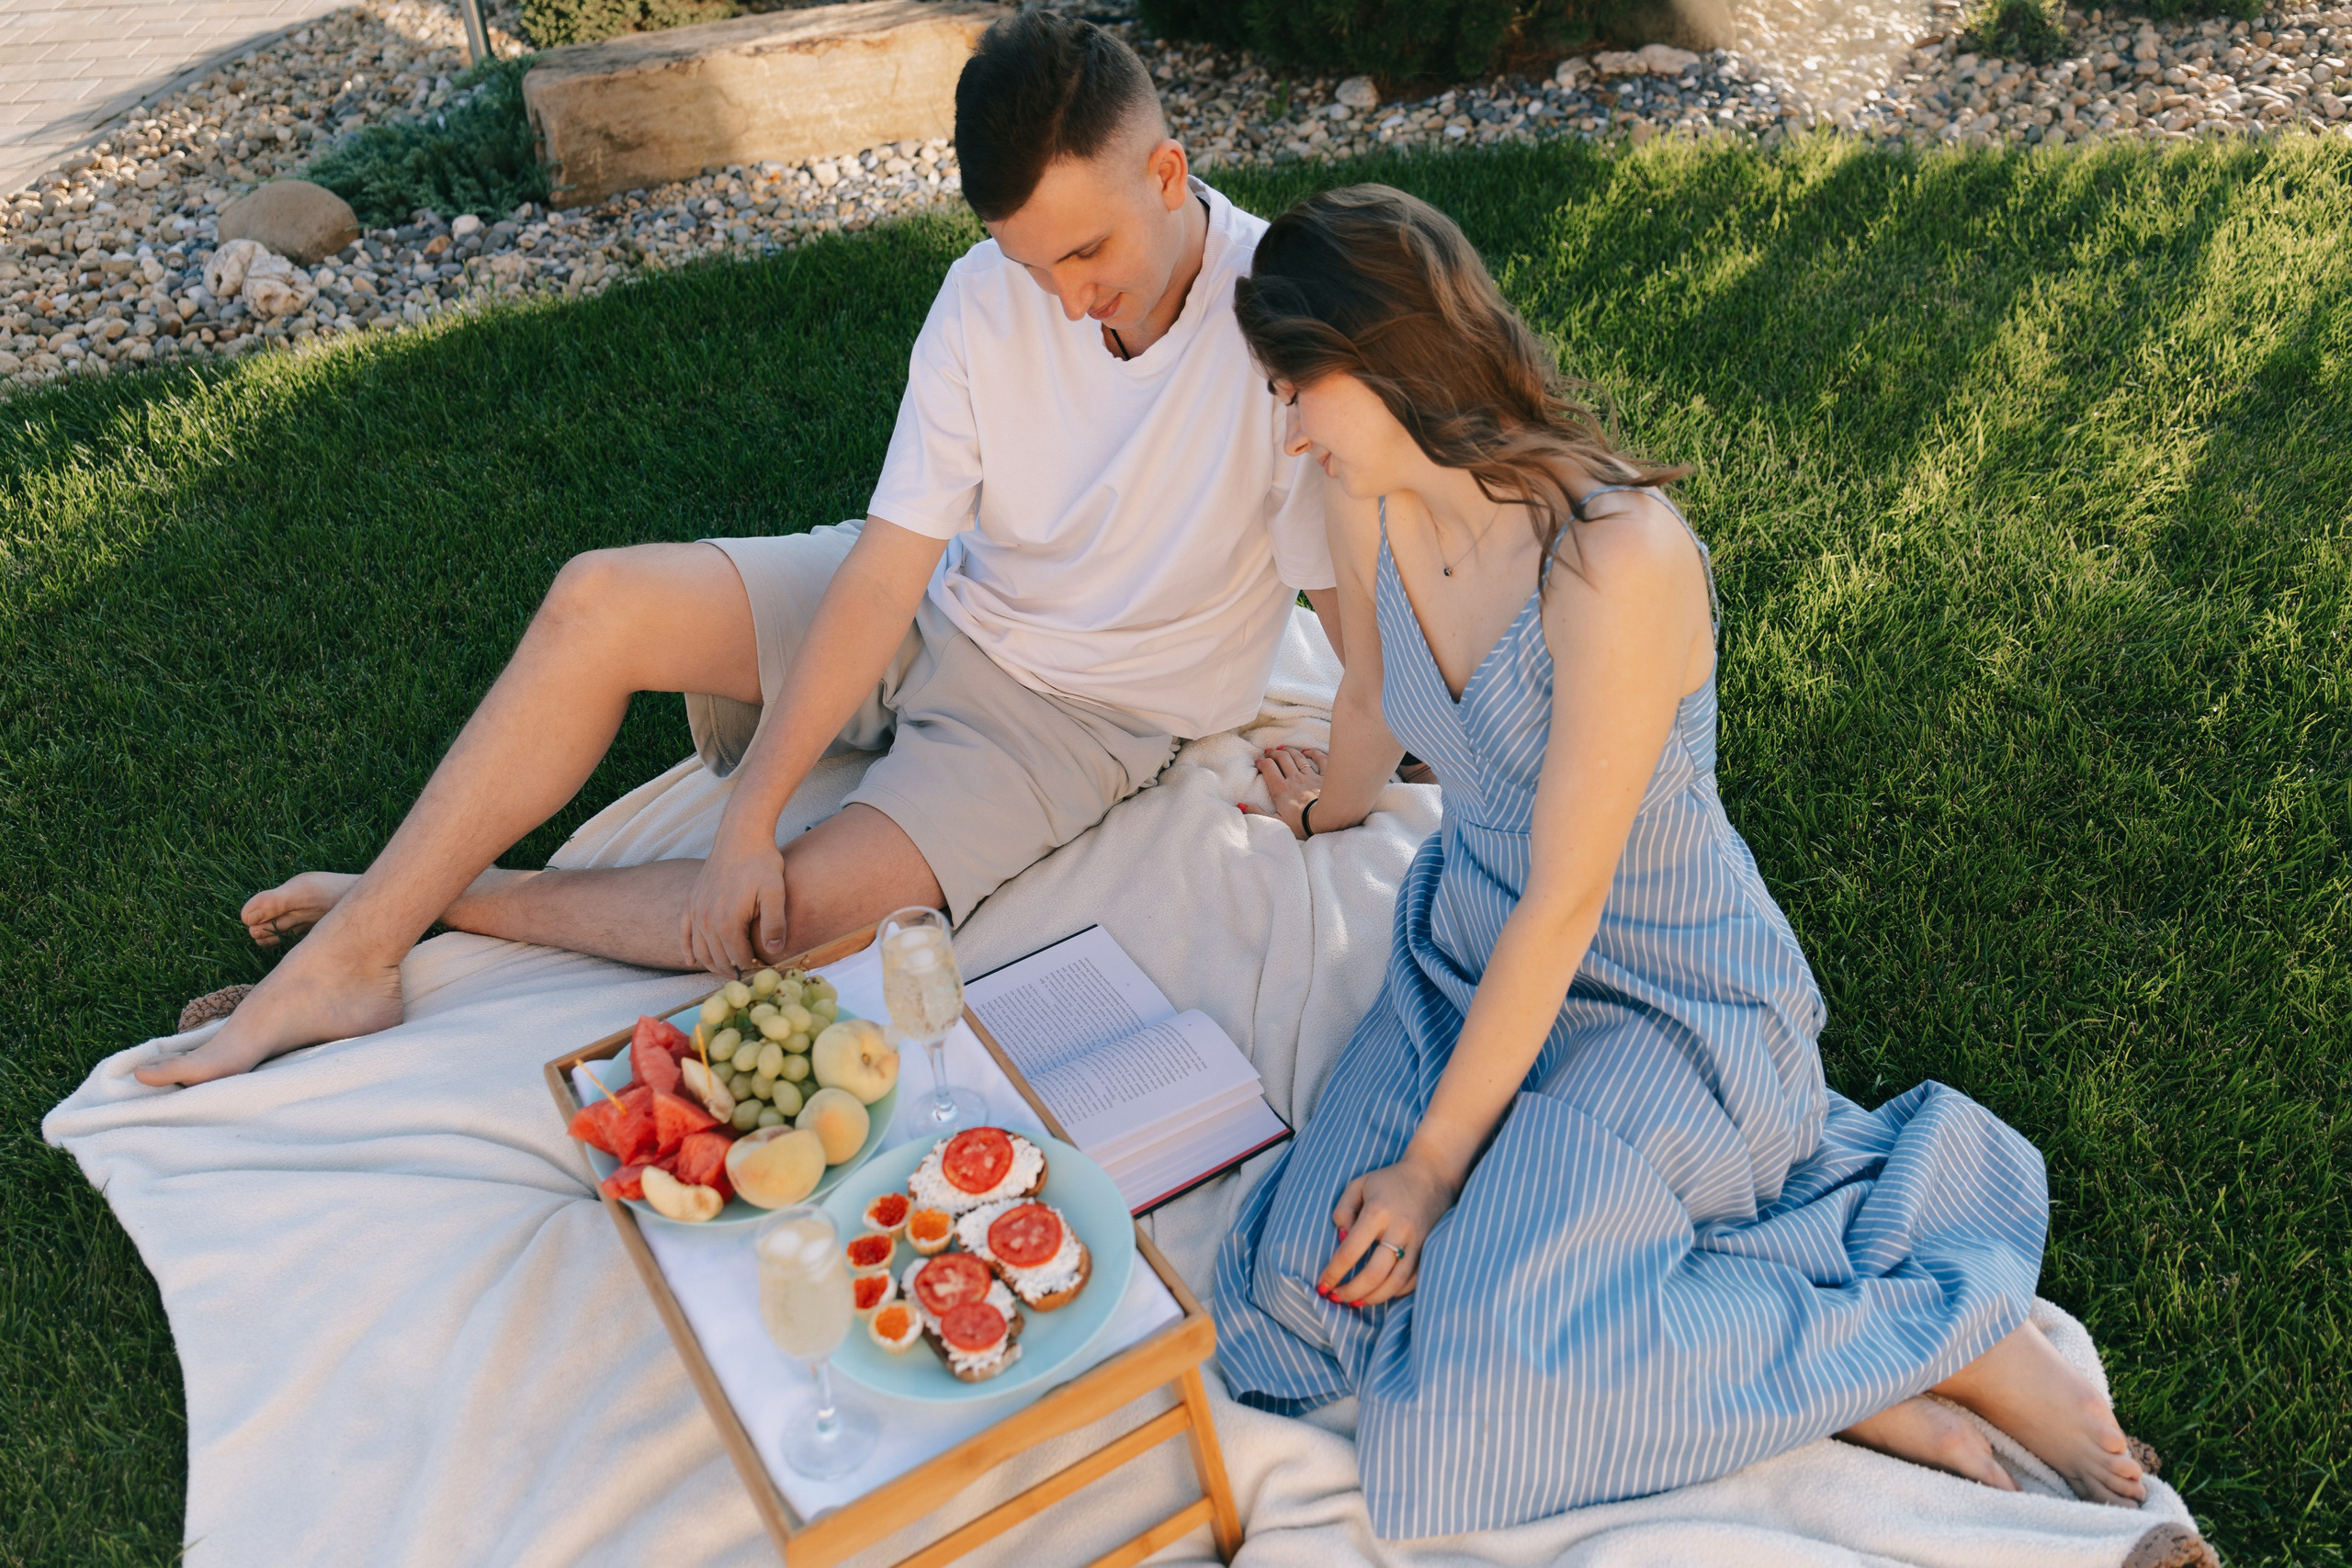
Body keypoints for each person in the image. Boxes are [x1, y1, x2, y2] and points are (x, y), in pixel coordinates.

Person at [140, 14, 1334, 1088]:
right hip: (946, 602)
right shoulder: (987, 294)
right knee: (597, 600)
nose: (1066, 301)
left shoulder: (1287, 316)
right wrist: (748, 815)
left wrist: (1373, 769)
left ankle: (436, 899)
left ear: (1170, 174)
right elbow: (887, 566)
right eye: (1037, 265)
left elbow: (1361, 572)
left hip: (1076, 714)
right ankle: (354, 957)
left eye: (1087, 258)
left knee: (790, 922)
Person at [1210, 186, 2148, 1537]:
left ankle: (1907, 1348)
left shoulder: (1617, 558)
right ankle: (1771, 1331)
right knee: (1295, 1303)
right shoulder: (1369, 499)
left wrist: (1431, 1168)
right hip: (1469, 960)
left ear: (1394, 357)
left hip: (1670, 999)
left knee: (1488, 1372)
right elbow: (1367, 701)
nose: (1291, 426)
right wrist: (1318, 817)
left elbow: (1569, 898)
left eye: (1302, 386)